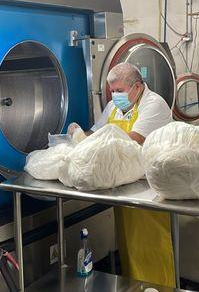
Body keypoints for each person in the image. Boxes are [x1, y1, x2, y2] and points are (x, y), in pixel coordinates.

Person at [67, 62, 176, 287]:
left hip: (151, 187)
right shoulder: (115, 107)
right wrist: (78, 132)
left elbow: (129, 142)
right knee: (129, 244)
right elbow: (97, 132)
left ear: (137, 87)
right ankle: (137, 287)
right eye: (112, 91)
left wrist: (84, 142)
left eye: (119, 91)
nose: (115, 95)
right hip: (126, 185)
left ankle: (160, 288)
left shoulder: (153, 105)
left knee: (152, 244)